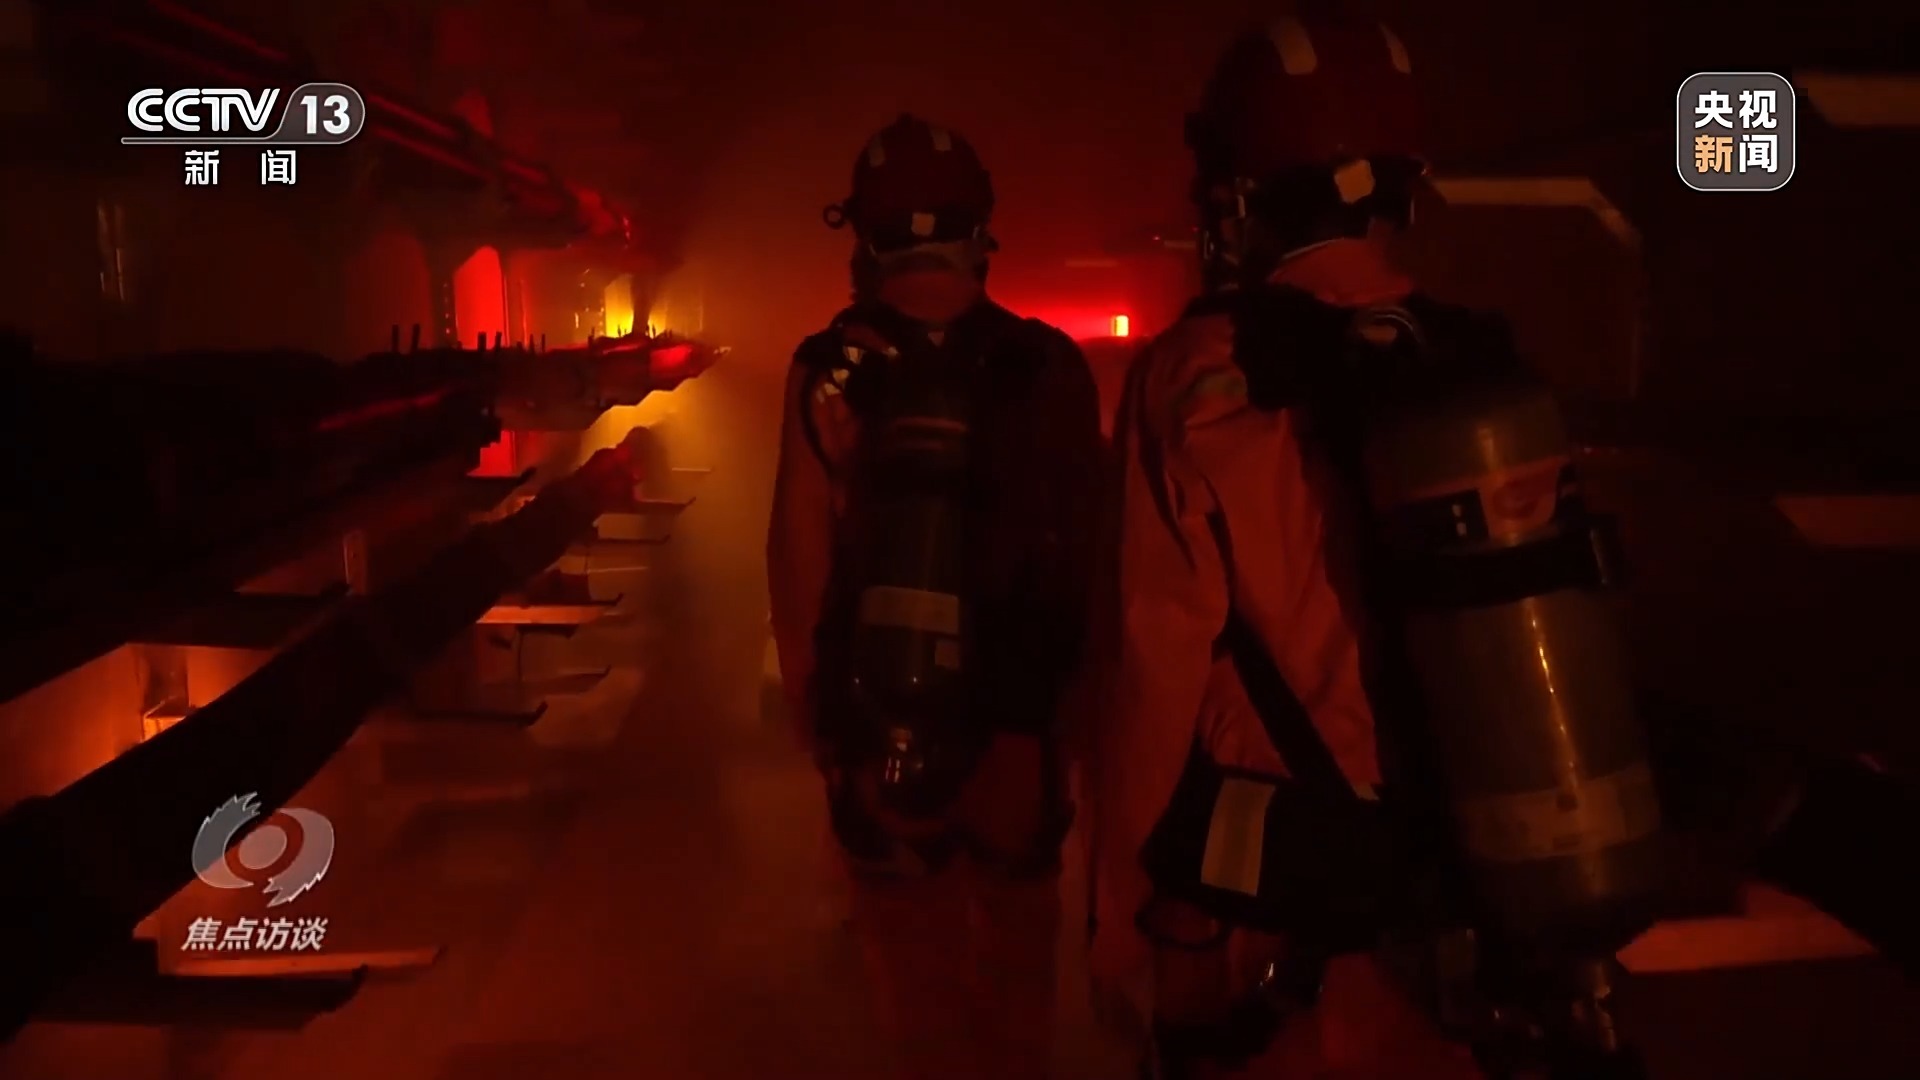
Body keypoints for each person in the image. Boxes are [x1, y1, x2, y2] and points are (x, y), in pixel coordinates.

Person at [1085, 9, 1487, 1078]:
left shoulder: (1199, 373)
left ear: (1244, 189)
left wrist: (1116, 908)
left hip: (1264, 910)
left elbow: (1154, 662)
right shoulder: (1472, 363)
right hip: (1456, 902)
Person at [766, 113, 1104, 1080]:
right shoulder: (1051, 365)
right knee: (1016, 984)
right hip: (1022, 739)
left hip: (886, 734)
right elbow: (1096, 555)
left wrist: (821, 726)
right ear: (980, 232)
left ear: (865, 238)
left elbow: (799, 559)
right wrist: (1079, 727)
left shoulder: (829, 371)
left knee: (919, 995)